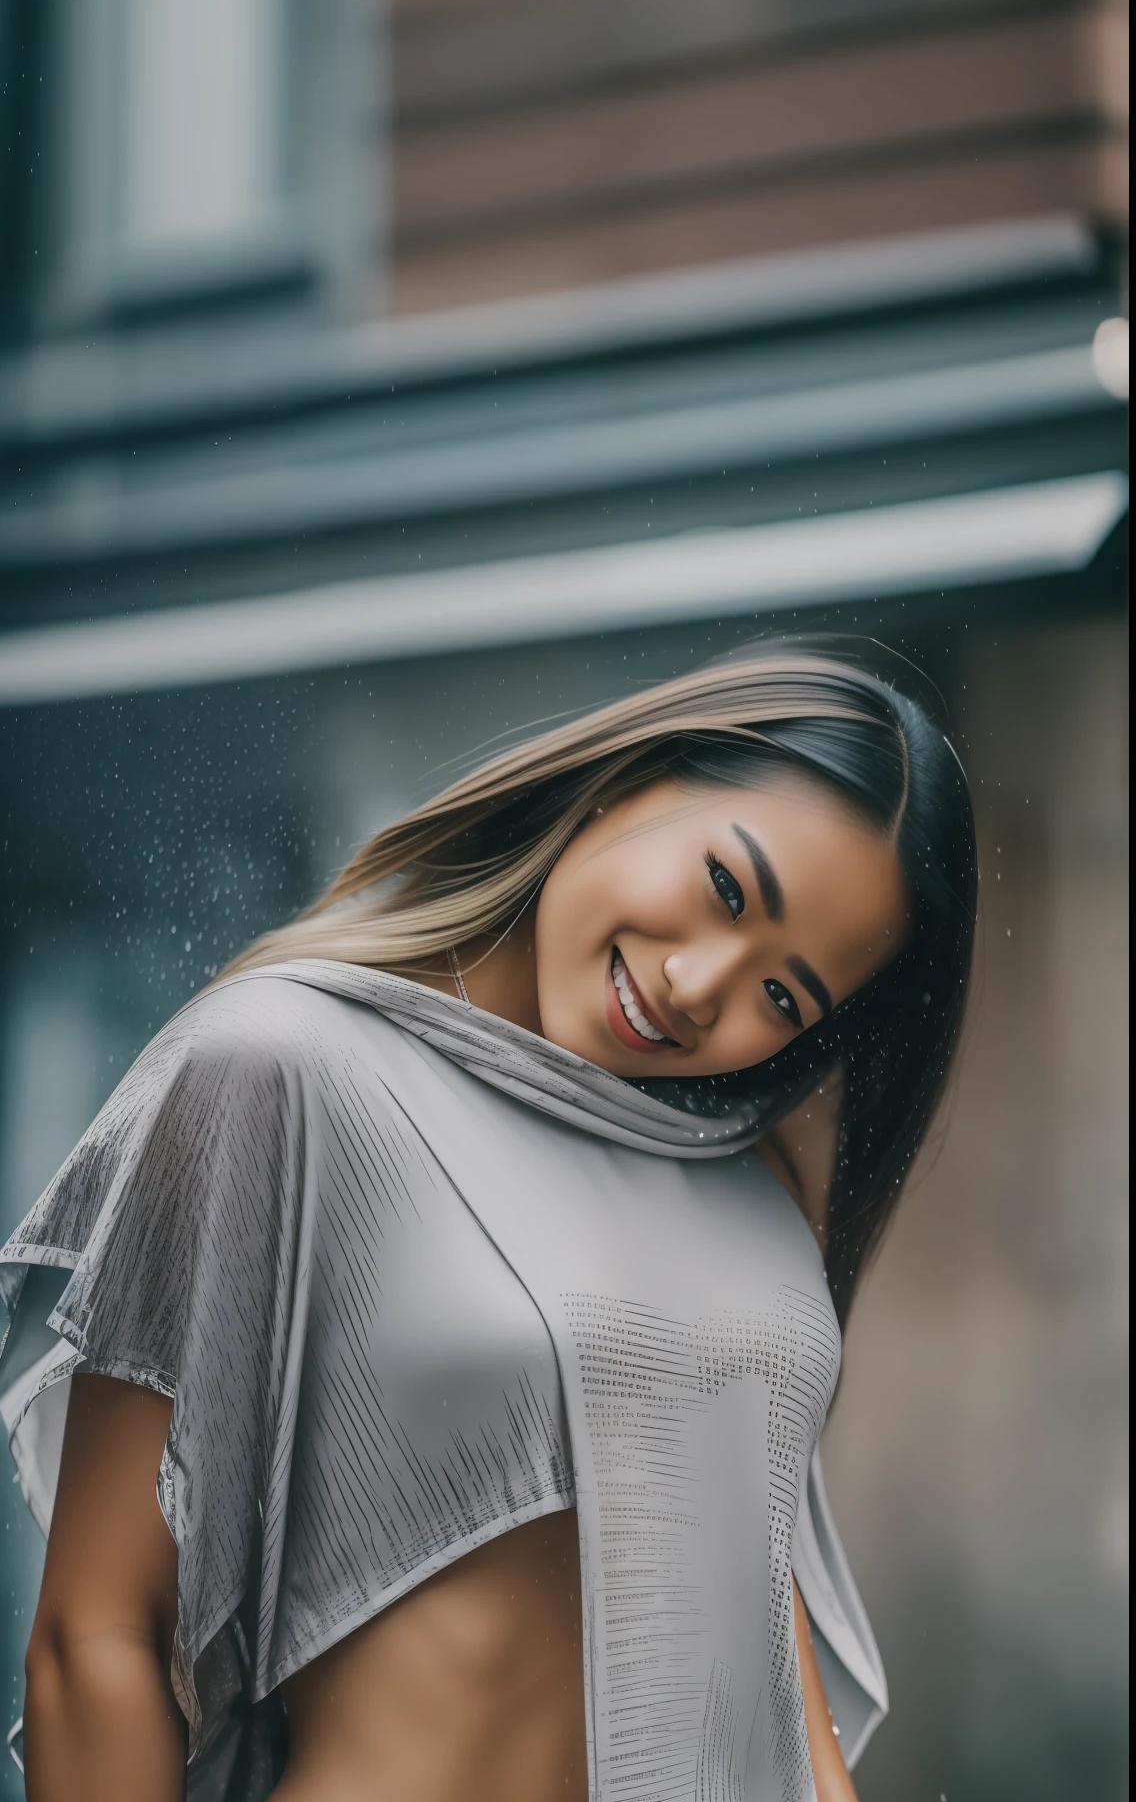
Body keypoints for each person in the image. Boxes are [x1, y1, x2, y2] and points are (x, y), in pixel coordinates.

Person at [0, 644, 977, 1802]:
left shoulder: (745, 1186)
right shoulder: (280, 1069)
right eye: (724, 887)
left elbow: (761, 1636)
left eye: (783, 994)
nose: (698, 985)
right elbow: (96, 1635)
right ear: (634, 778)